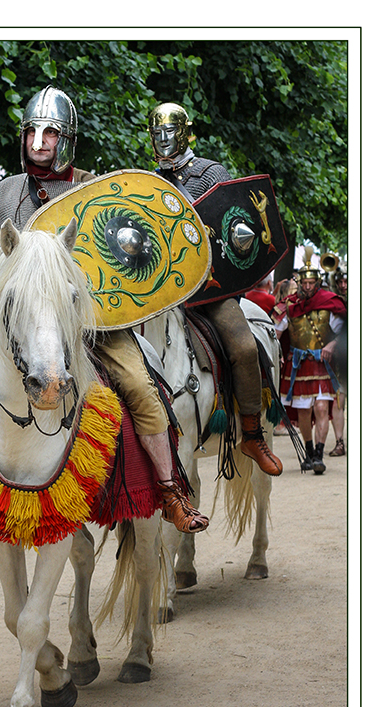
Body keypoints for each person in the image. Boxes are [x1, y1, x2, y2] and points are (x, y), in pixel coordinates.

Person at [0, 86, 209, 540]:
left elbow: (116, 265)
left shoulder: (91, 190)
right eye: (33, 132)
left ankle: (169, 490)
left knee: (144, 389)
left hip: (89, 323)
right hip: (21, 328)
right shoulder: (6, 193)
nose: (39, 141)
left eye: (50, 132)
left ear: (66, 139)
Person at [147, 102, 283, 477]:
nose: (163, 141)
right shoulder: (146, 182)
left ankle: (252, 433)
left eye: (169, 133)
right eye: (156, 134)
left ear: (186, 132)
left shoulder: (210, 173)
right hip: (158, 290)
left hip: (209, 288)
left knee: (241, 345)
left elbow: (235, 229)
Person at [272, 248, 347, 473]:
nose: (307, 287)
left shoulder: (330, 303)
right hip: (299, 364)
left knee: (322, 408)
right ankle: (307, 451)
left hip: (323, 365)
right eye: (304, 283)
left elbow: (345, 330)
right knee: (304, 411)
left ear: (317, 282)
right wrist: (277, 353)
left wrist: (332, 345)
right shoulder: (289, 307)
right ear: (300, 282)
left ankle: (319, 455)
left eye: (311, 283)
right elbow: (275, 332)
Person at [328, 267, 347, 457]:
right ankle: (340, 442)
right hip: (342, 361)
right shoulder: (335, 304)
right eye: (340, 282)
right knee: (338, 402)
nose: (343, 286)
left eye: (346, 282)